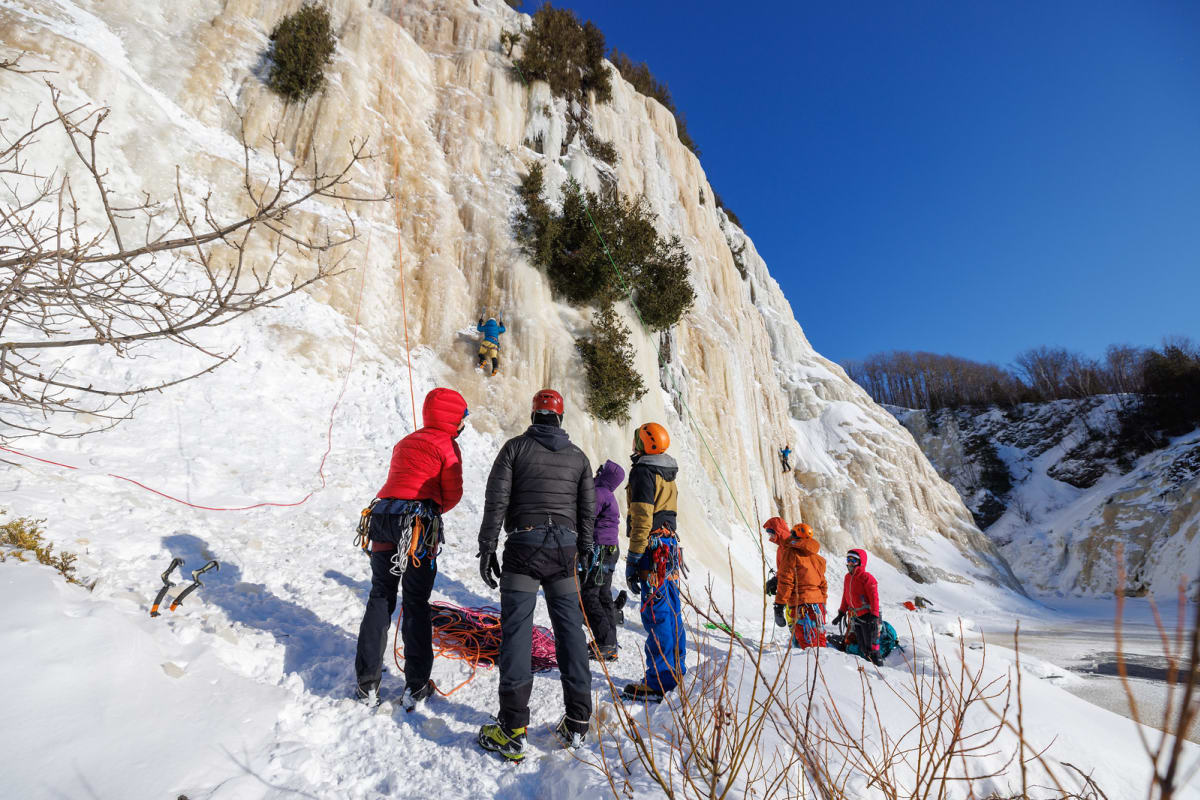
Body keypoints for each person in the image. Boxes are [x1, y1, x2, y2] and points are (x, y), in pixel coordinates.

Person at [476, 389, 596, 760]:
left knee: (516, 633)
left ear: (533, 415)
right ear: (561, 418)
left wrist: (487, 547)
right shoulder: (578, 458)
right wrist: (587, 550)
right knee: (570, 633)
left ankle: (512, 728)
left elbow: (496, 501)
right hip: (564, 550)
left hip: (523, 547)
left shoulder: (514, 448)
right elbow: (587, 510)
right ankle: (577, 723)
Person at [354, 388, 468, 709]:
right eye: (462, 418)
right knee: (416, 601)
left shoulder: (404, 442)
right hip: (418, 525)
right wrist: (432, 508)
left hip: (384, 516)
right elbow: (453, 494)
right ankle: (416, 685)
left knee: (380, 594)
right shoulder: (449, 447)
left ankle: (366, 684)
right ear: (453, 419)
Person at [621, 422, 686, 703]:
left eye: (637, 441)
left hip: (652, 550)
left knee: (656, 611)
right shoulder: (667, 473)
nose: (634, 445)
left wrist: (634, 558)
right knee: (671, 611)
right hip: (668, 547)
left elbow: (642, 518)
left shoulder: (644, 472)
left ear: (645, 444)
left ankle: (659, 681)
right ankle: (676, 671)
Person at [581, 459, 625, 661]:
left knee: (590, 595)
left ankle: (605, 642)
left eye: (601, 470)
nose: (597, 472)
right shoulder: (608, 494)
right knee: (604, 595)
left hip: (600, 550)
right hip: (610, 550)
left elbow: (587, 517)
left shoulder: (599, 493)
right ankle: (610, 643)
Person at [764, 519, 828, 649]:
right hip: (818, 606)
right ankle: (822, 668)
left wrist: (779, 605)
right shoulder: (817, 558)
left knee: (806, 645)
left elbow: (786, 581)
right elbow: (822, 584)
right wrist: (822, 603)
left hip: (801, 604)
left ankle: (809, 667)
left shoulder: (790, 553)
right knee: (819, 644)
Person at [830, 548, 883, 666]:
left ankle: (881, 673)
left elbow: (874, 598)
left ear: (860, 562)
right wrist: (841, 613)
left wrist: (874, 616)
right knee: (863, 647)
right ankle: (869, 671)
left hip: (869, 616)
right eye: (848, 559)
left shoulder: (867, 578)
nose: (850, 563)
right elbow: (845, 596)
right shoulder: (847, 577)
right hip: (856, 616)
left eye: (853, 560)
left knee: (872, 647)